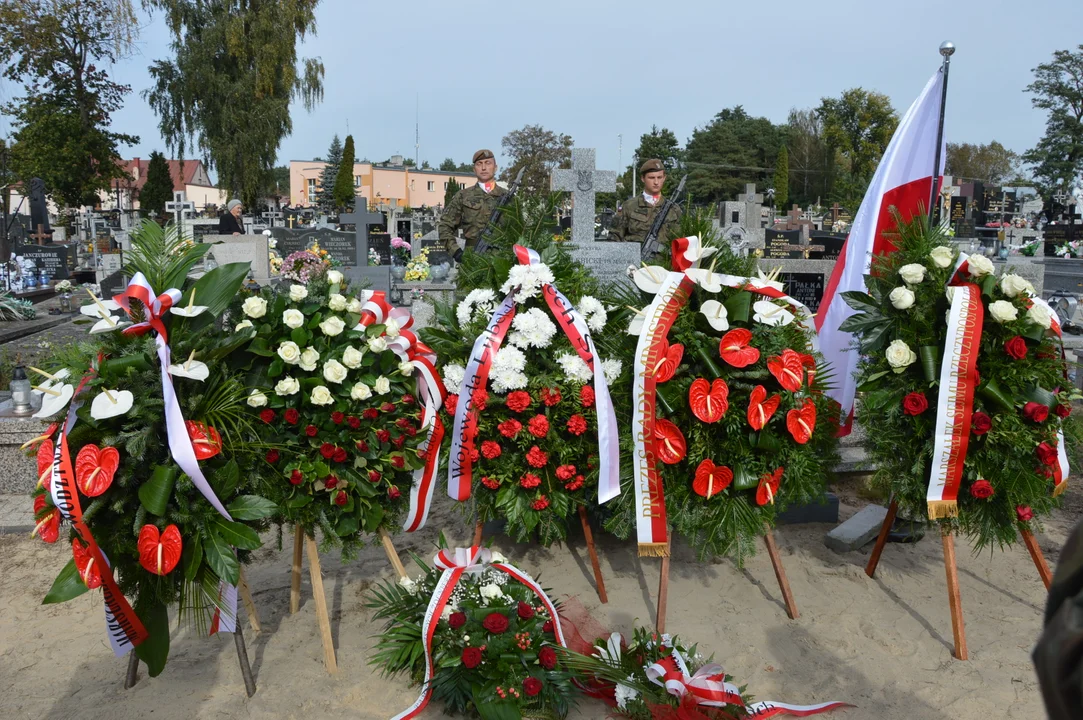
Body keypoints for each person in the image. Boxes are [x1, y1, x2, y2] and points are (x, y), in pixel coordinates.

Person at [438, 149, 509, 260]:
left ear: (495, 167)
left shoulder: (507, 197)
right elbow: (445, 225)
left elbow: (521, 228)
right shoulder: (463, 196)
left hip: (503, 259)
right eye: (479, 164)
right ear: (474, 169)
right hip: (473, 258)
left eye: (488, 163)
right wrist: (456, 252)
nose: (484, 168)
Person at [609, 158, 682, 246]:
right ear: (643, 178)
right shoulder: (629, 206)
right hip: (636, 258)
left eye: (659, 177)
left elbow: (681, 239)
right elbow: (614, 238)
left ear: (664, 178)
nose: (656, 182)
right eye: (651, 178)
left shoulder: (673, 209)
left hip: (665, 259)